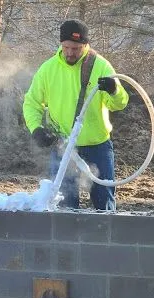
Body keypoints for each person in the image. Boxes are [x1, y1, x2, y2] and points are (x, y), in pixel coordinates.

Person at [22, 19, 129, 210]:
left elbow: (119, 104)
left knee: (104, 204)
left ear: (86, 45)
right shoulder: (48, 69)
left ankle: (103, 237)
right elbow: (32, 103)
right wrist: (36, 128)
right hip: (63, 147)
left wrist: (114, 90)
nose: (70, 52)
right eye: (66, 47)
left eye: (76, 48)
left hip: (98, 147)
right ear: (61, 44)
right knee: (63, 205)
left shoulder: (101, 66)